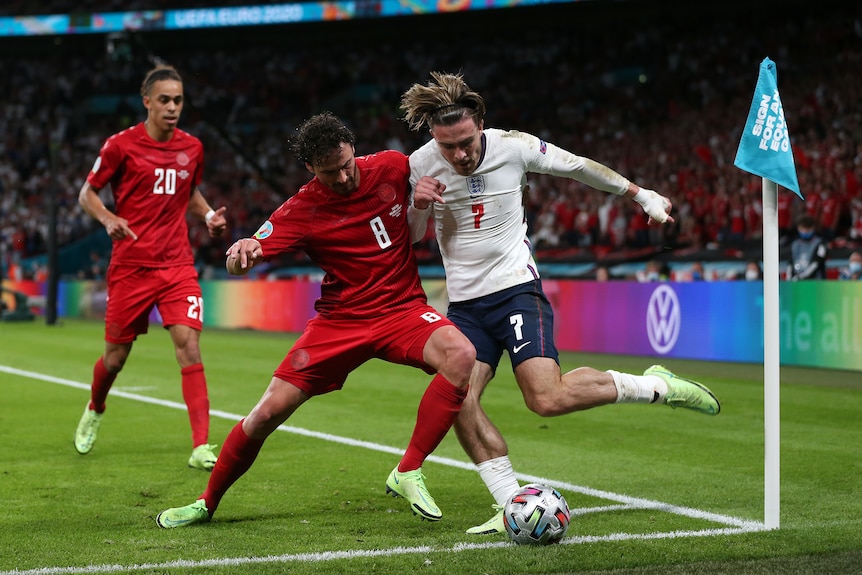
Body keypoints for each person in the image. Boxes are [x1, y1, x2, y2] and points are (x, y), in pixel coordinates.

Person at [401, 72, 721, 535]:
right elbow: (411, 237)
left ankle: (656, 386)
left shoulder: (514, 146)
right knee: (457, 400)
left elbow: (579, 167)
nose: (459, 154)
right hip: (465, 306)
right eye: (448, 146)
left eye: (466, 142)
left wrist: (642, 195)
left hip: (515, 289)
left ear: (481, 124)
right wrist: (418, 204)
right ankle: (511, 502)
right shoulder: (420, 164)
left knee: (545, 399)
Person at [156, 112, 475, 528]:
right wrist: (241, 254)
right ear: (310, 168)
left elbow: (442, 169)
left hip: (403, 310)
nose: (342, 178)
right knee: (266, 413)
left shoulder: (393, 166)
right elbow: (249, 253)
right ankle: (206, 502)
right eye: (329, 173)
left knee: (461, 354)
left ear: (353, 148)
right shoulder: (303, 207)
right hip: (340, 322)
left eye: (345, 164)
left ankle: (408, 469)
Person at [74, 64, 227, 471]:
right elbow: (87, 194)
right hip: (131, 267)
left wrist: (209, 215)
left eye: (178, 100)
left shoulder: (192, 147)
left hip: (177, 265)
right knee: (115, 358)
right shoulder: (120, 146)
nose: (173, 107)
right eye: (164, 100)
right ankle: (96, 405)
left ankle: (200, 446)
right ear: (147, 102)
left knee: (189, 345)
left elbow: (189, 193)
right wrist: (108, 218)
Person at [787, 214, 828, 280]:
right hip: (796, 282)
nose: (805, 231)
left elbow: (817, 263)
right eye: (803, 228)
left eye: (808, 228)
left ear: (813, 228)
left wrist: (802, 276)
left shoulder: (820, 243)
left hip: (815, 283)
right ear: (798, 228)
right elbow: (790, 263)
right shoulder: (795, 244)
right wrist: (789, 279)